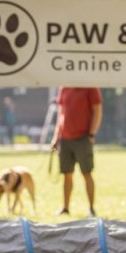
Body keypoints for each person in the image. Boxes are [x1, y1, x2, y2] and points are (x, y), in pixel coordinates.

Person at [50, 87, 102, 216]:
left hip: (83, 138)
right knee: (67, 175)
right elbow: (61, 113)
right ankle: (65, 207)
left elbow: (97, 111)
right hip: (64, 138)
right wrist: (56, 136)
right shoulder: (64, 87)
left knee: (87, 173)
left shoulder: (91, 87)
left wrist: (91, 134)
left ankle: (91, 208)